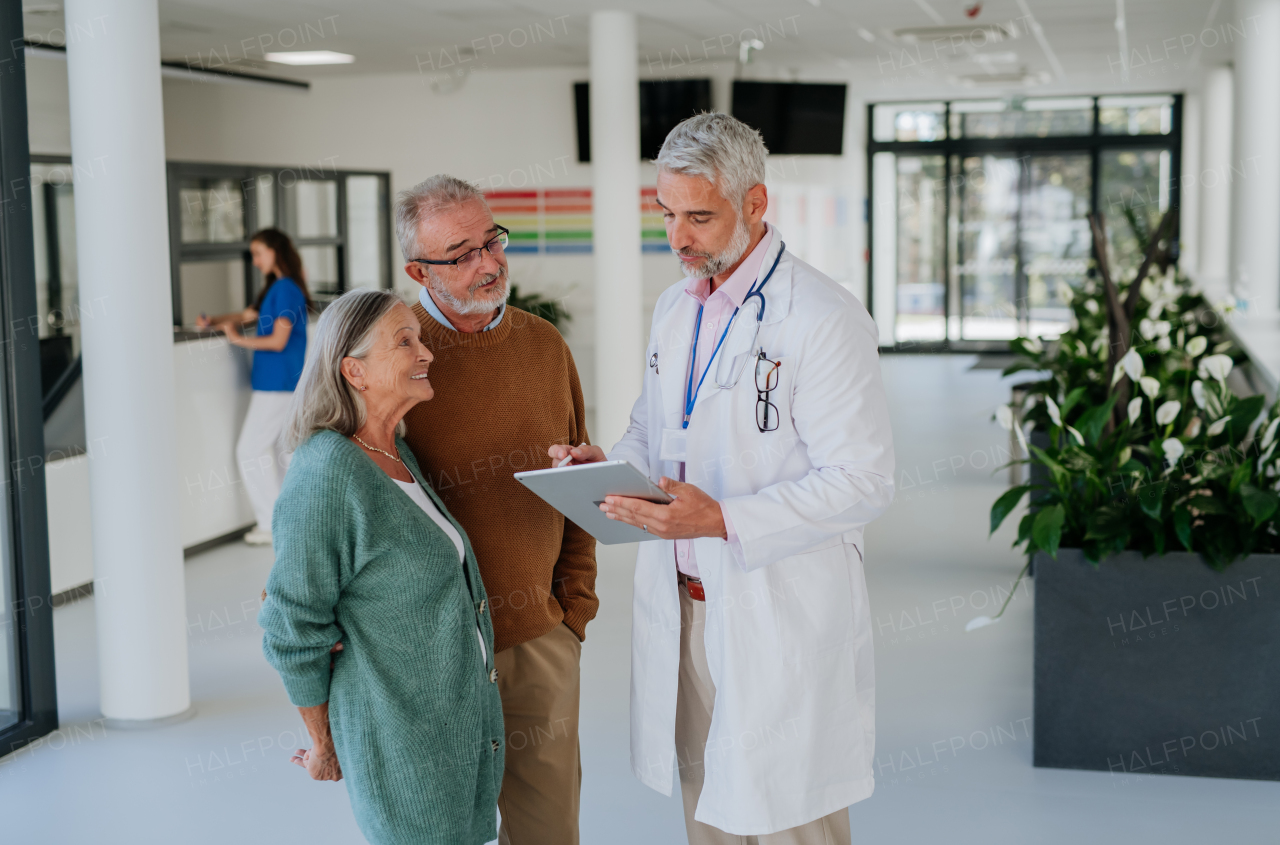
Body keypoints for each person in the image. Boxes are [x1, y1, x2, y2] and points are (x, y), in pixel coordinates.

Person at [550, 113, 895, 844]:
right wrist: (608, 464)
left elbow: (864, 479)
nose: (679, 237)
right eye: (668, 214)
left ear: (755, 204)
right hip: (686, 611)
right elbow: (654, 431)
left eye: (699, 216)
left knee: (791, 816)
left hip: (776, 611)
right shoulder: (677, 307)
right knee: (707, 806)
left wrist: (721, 520)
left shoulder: (822, 317)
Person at [394, 174, 597, 845]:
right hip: (433, 655)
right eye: (462, 253)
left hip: (539, 640)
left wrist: (573, 613)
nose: (488, 262)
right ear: (417, 269)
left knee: (549, 832)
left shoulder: (545, 346)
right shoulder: (391, 359)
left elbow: (576, 480)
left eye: (493, 240)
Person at [258, 288, 503, 845]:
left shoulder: (395, 452)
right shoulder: (327, 471)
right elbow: (290, 625)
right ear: (355, 371)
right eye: (405, 342)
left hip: (450, 736)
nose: (427, 354)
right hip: (403, 743)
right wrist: (324, 743)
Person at [199, 228, 311, 546]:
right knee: (276, 452)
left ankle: (271, 523)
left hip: (278, 384)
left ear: (276, 251)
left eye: (259, 253)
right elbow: (249, 315)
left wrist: (237, 338)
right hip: (277, 383)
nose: (255, 261)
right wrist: (214, 321)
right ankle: (286, 522)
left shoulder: (286, 289)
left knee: (249, 450)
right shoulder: (275, 289)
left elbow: (278, 340)